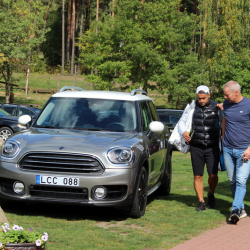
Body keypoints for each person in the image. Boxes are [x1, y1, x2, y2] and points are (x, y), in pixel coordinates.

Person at [178, 85, 221, 211]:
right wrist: (184, 132)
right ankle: (201, 202)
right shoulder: (191, 106)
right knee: (198, 175)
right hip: (196, 146)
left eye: (203, 98)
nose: (201, 100)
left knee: (213, 175)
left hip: (212, 146)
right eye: (199, 98)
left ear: (209, 95)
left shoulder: (217, 107)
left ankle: (211, 193)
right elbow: (182, 121)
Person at [221, 80, 250, 224]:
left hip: (244, 150)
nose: (225, 97)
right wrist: (222, 137)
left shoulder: (248, 105)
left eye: (227, 95)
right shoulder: (226, 104)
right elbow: (225, 120)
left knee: (240, 180)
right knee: (232, 180)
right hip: (227, 148)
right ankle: (241, 209)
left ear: (236, 93)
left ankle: (234, 210)